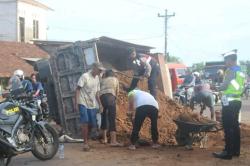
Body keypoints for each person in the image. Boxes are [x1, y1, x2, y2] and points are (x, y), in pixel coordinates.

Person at [213, 51, 245, 160]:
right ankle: (236, 150)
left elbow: (225, 86)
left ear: (231, 60)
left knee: (228, 127)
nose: (225, 62)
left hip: (229, 103)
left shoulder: (230, 71)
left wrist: (215, 88)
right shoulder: (241, 71)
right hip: (237, 101)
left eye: (226, 60)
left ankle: (227, 152)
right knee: (235, 127)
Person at [75, 62, 105, 151]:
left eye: (101, 70)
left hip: (91, 104)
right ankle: (85, 143)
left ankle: (87, 140)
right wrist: (76, 103)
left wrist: (100, 104)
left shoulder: (97, 79)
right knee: (85, 122)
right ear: (94, 68)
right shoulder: (85, 76)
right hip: (82, 101)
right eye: (99, 70)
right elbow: (77, 90)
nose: (100, 72)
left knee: (92, 124)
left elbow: (96, 93)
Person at [99, 69, 121, 146]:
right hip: (110, 97)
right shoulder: (115, 79)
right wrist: (115, 101)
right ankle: (113, 141)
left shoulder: (102, 80)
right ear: (112, 74)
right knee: (111, 118)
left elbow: (98, 90)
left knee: (104, 117)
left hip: (101, 98)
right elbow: (117, 92)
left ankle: (104, 139)